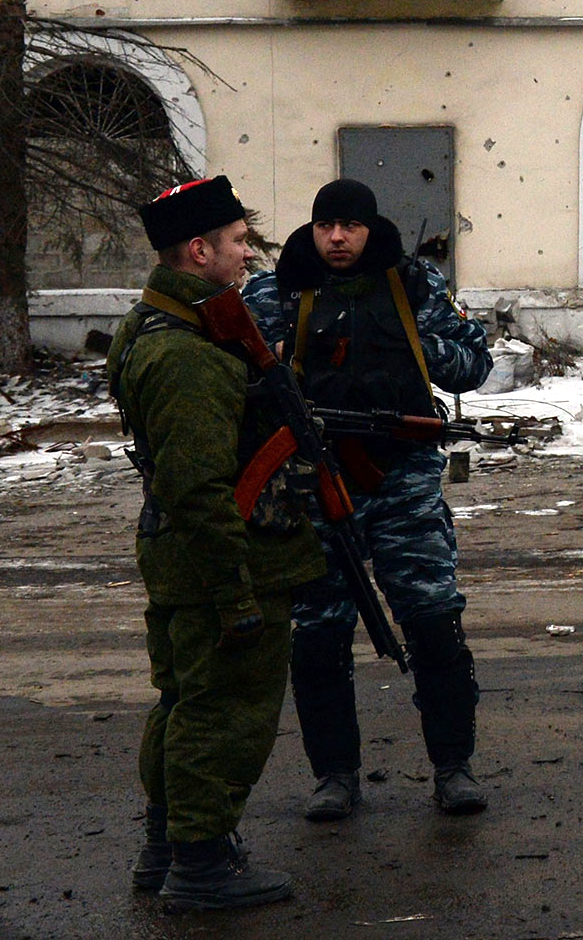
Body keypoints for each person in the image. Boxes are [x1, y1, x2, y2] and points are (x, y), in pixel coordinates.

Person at [109, 175, 328, 913]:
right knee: (223, 712)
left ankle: (168, 847)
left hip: (184, 557)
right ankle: (200, 865)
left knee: (183, 701)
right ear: (198, 251)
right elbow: (197, 487)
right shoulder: (188, 355)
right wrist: (235, 592)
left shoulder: (159, 325)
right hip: (219, 563)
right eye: (237, 244)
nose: (245, 256)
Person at [242, 178, 492, 822]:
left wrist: (415, 349)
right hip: (315, 481)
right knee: (319, 633)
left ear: (368, 228)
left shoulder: (412, 284)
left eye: (349, 227)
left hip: (403, 476)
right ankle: (335, 775)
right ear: (314, 229)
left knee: (433, 618)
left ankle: (453, 766)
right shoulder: (276, 290)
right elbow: (237, 376)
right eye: (327, 226)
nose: (337, 238)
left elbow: (473, 364)